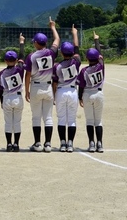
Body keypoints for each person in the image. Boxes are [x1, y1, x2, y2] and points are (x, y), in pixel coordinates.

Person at [24, 17, 60, 153]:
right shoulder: (51, 53)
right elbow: (57, 40)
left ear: (36, 43)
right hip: (48, 87)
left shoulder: (31, 56)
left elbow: (27, 75)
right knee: (48, 117)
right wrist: (53, 27)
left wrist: (26, 90)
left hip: (36, 87)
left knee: (36, 117)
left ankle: (38, 143)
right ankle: (48, 144)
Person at [53, 25, 81, 153]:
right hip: (73, 91)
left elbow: (54, 82)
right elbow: (76, 47)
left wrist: (54, 95)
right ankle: (70, 143)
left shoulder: (57, 66)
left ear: (61, 52)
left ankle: (62, 143)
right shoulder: (76, 62)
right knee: (72, 120)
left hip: (61, 91)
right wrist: (75, 33)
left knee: (61, 119)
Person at [78, 31, 105, 153]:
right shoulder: (101, 66)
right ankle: (100, 143)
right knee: (98, 120)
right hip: (99, 94)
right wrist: (96, 41)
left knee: (89, 120)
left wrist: (80, 98)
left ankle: (92, 143)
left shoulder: (84, 70)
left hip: (88, 94)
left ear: (87, 58)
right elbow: (100, 54)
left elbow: (81, 86)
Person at [0, 33, 26, 152]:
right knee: (17, 122)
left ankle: (9, 144)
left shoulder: (2, 73)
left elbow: (0, 89)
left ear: (5, 61)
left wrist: (1, 102)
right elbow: (22, 56)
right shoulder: (19, 69)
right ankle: (16, 144)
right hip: (18, 98)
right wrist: (21, 43)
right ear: (15, 60)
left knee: (8, 123)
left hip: (7, 98)